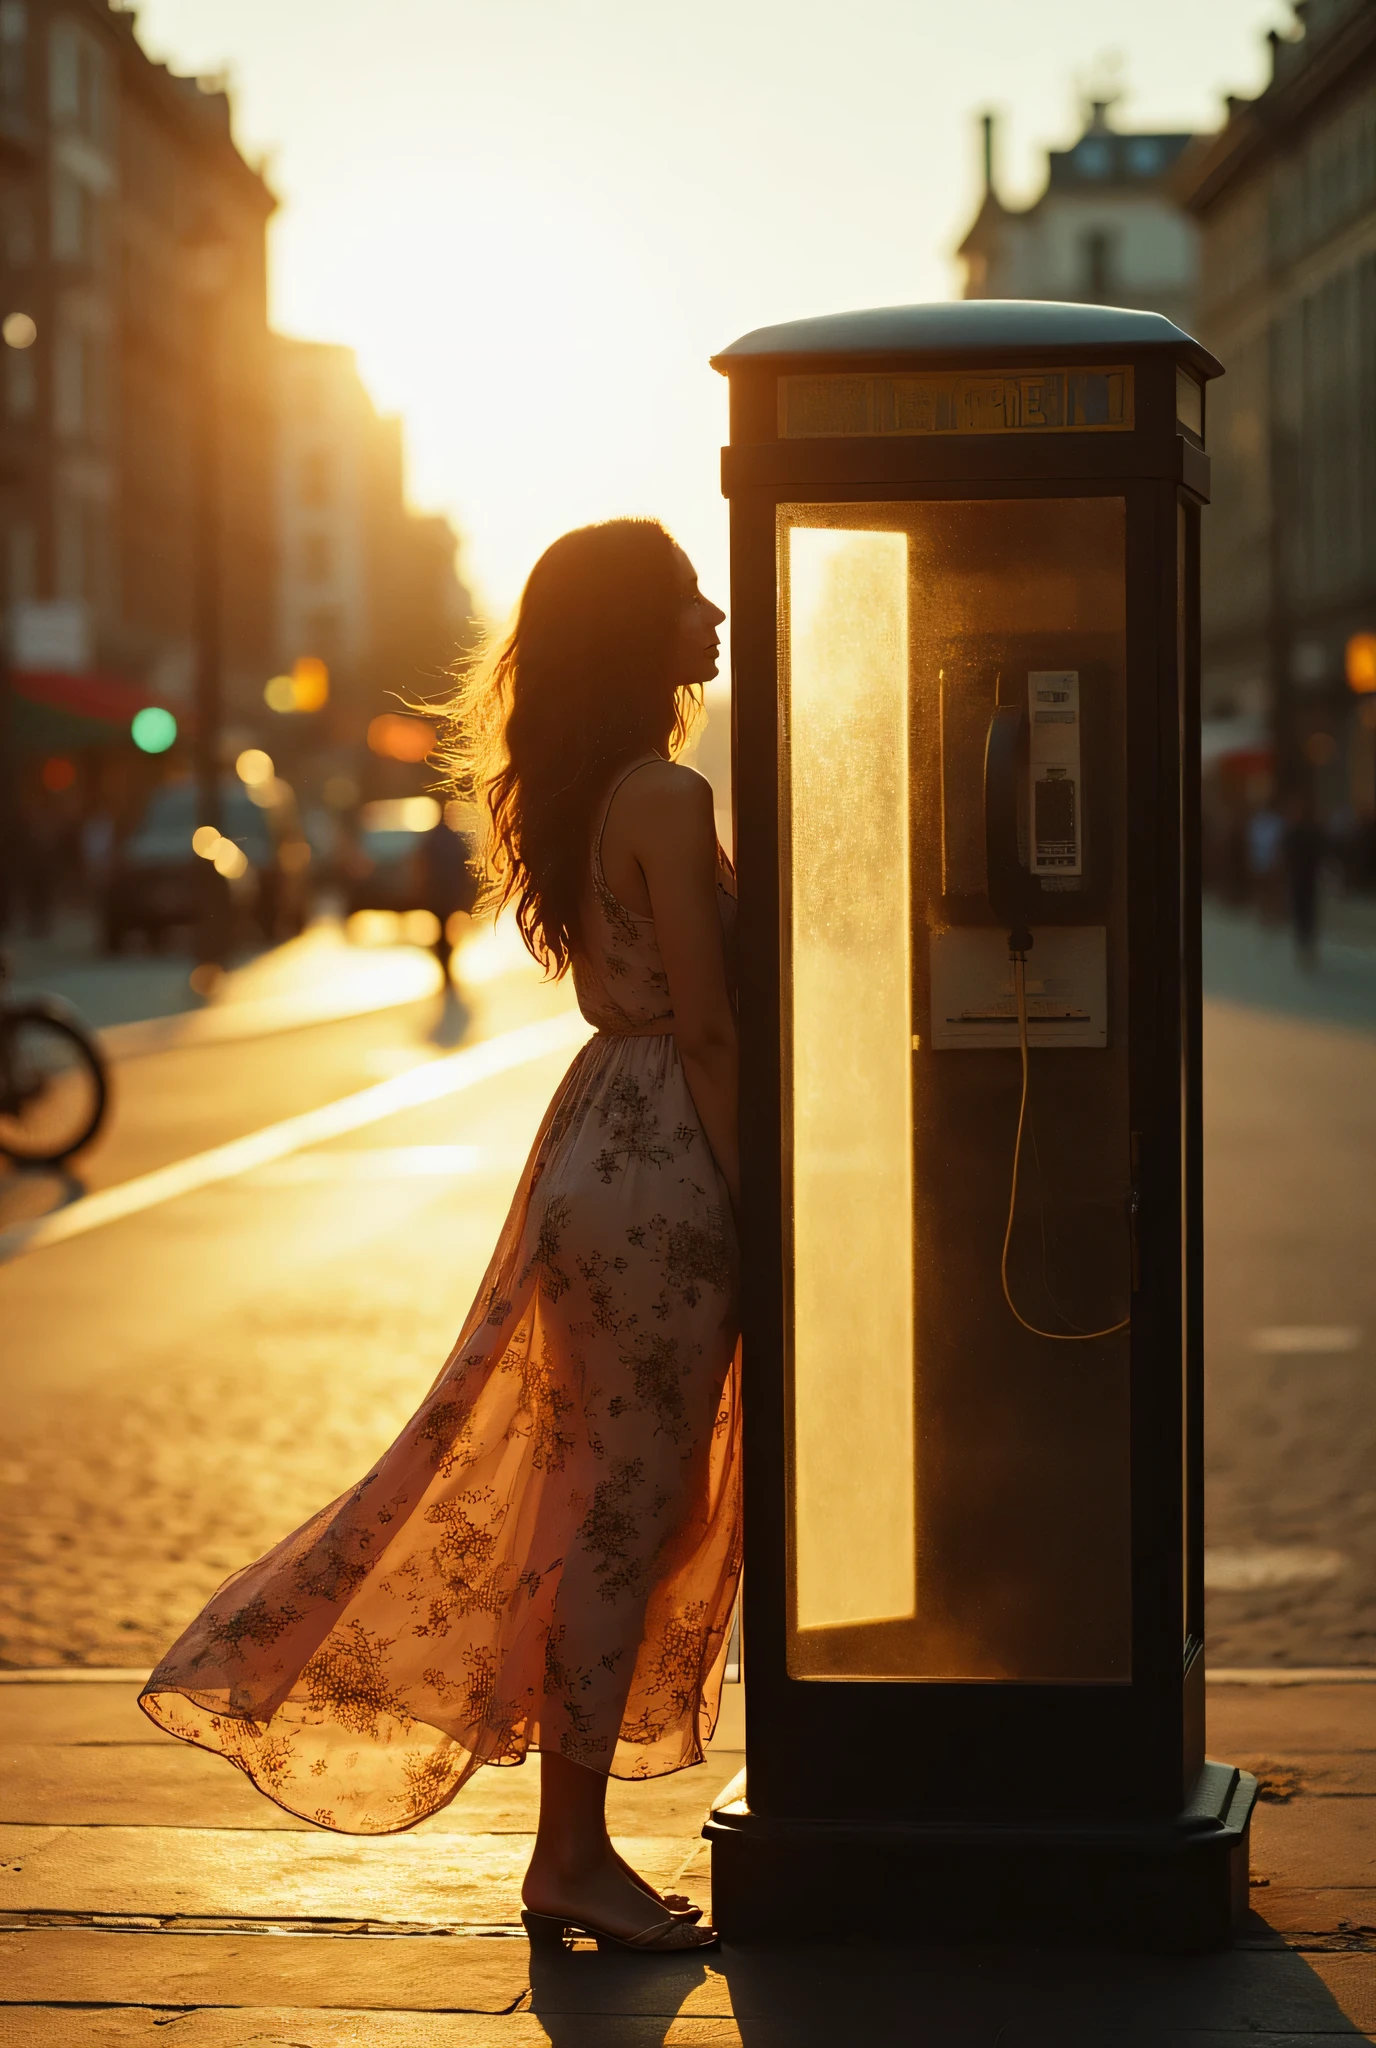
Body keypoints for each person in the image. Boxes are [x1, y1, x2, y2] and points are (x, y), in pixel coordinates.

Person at [139, 519, 738, 1954]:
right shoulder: (660, 791)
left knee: (618, 1500)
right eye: (685, 598)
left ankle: (575, 1847)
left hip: (604, 1135)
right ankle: (573, 1855)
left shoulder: (592, 787)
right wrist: (763, 1189)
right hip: (673, 1156)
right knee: (628, 1511)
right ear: (631, 629)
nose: (715, 614)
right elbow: (713, 1021)